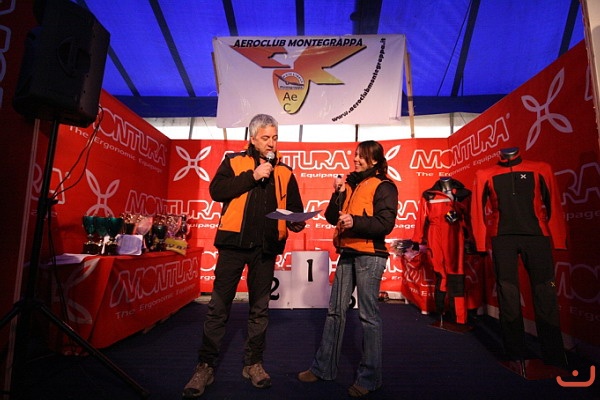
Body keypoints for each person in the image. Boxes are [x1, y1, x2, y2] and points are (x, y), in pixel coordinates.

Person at [182, 114, 306, 399]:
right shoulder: (233, 162)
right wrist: (253, 176)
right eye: (266, 138)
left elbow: (295, 208)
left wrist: (297, 222)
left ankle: (253, 364)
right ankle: (205, 366)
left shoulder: (285, 171)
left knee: (259, 310)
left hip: (266, 248)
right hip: (233, 246)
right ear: (252, 138)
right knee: (218, 307)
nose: (271, 143)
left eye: (275, 137)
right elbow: (216, 191)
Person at [297, 140, 398, 397]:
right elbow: (332, 217)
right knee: (335, 312)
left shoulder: (385, 185)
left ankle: (370, 379)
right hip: (347, 252)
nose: (355, 159)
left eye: (361, 156)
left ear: (374, 160)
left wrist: (356, 221)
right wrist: (337, 193)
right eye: (355, 155)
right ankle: (323, 368)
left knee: (368, 317)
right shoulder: (350, 184)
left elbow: (385, 224)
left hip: (371, 256)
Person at [471, 147, 568, 370]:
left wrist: (559, 238)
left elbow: (553, 203)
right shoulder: (484, 174)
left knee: (546, 292)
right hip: (502, 238)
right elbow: (477, 211)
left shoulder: (541, 169)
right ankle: (515, 353)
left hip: (537, 237)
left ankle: (553, 354)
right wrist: (480, 243)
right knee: (508, 294)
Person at [411, 176, 472, 325]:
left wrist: (471, 238)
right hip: (435, 234)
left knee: (456, 274)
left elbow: (470, 217)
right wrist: (417, 239)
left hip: (455, 234)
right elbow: (421, 217)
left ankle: (459, 318)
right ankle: (441, 314)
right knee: (440, 274)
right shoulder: (429, 195)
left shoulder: (463, 193)